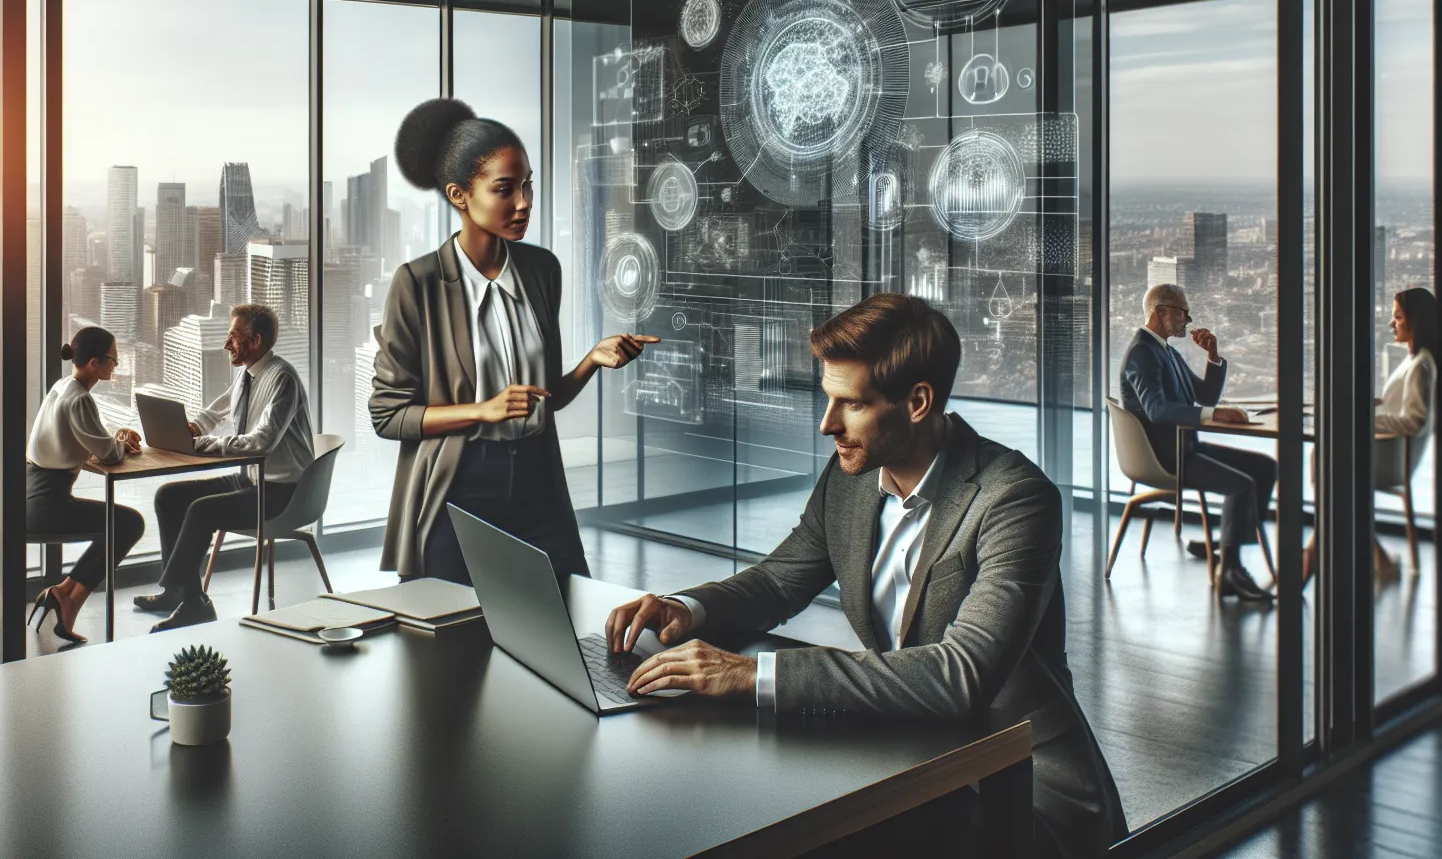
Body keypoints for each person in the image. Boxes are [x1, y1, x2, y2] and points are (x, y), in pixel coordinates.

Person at [603, 294, 1127, 859]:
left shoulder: (1015, 498)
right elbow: (780, 579)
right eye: (829, 400)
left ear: (918, 402)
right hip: (914, 760)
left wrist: (752, 674)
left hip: (1019, 794)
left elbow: (960, 674)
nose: (828, 424)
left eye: (850, 404)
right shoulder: (853, 475)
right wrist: (684, 608)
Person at [370, 98, 659, 584]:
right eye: (504, 189)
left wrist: (591, 360)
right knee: (451, 640)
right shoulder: (416, 284)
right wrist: (482, 410)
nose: (523, 202)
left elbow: (546, 399)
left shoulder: (542, 270)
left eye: (527, 185)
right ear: (459, 195)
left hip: (538, 480)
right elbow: (388, 415)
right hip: (459, 486)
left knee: (570, 618)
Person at [134, 303, 315, 630]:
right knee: (168, 496)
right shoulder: (247, 375)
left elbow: (263, 441)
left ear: (255, 341)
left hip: (282, 492)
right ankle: (181, 592)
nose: (225, 344)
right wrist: (190, 430)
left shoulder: (282, 379)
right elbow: (215, 412)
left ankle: (193, 603)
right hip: (251, 480)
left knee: (201, 511)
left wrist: (207, 445)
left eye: (233, 337)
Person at [1119, 283, 1275, 603]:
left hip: (1186, 448)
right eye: (1182, 312)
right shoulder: (1142, 354)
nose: (1187, 320)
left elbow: (1202, 396)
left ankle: (1227, 541)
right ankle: (1230, 572)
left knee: (1264, 467)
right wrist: (1215, 413)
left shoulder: (1166, 352)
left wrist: (1213, 357)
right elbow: (1158, 410)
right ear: (1161, 312)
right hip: (1166, 456)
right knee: (1241, 485)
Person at [1302, 287, 1441, 583]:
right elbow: (1397, 406)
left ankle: (1313, 552)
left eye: (1398, 317)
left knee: (1323, 459)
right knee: (1326, 465)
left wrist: (1363, 417)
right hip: (1388, 452)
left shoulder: (1420, 366)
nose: (1392, 323)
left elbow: (1413, 420)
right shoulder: (1416, 360)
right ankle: (1372, 557)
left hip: (1389, 459)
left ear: (1416, 321)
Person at [24, 326, 147, 644]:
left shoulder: (61, 387)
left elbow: (84, 438)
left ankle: (65, 593)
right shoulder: (80, 399)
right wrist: (121, 442)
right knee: (130, 523)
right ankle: (69, 598)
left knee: (118, 524)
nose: (116, 365)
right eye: (113, 360)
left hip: (28, 497)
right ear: (95, 363)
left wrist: (110, 439)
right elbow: (108, 455)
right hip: (46, 506)